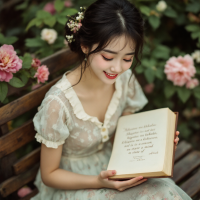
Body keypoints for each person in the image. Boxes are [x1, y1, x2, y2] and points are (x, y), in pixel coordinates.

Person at [30, 0, 192, 199]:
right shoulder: (58, 103)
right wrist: (98, 181)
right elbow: (49, 175)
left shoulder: (124, 80)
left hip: (114, 164)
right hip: (73, 182)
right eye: (108, 57)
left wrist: (158, 148)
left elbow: (123, 138)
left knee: (161, 188)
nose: (117, 68)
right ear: (85, 46)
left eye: (127, 59)